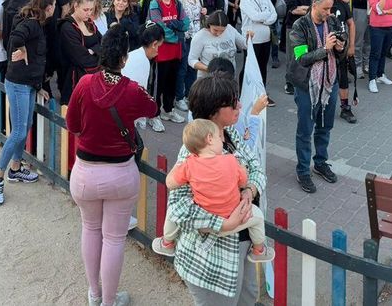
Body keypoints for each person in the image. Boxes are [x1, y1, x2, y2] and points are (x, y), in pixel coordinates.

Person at [64, 27, 159, 306]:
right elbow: (152, 109)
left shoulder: (83, 84)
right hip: (119, 173)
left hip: (85, 172)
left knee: (90, 229)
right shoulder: (131, 89)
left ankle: (94, 293)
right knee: (114, 239)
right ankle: (109, 301)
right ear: (124, 59)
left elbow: (73, 125)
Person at [165, 72, 267, 305]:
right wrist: (223, 223)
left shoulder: (229, 137)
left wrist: (250, 190)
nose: (239, 105)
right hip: (212, 258)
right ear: (213, 112)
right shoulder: (193, 153)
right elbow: (178, 208)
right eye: (232, 102)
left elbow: (257, 170)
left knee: (247, 297)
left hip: (242, 242)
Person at [154, 118, 275, 264]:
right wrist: (241, 170)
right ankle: (258, 250)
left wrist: (183, 168)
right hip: (233, 217)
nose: (221, 140)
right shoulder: (231, 160)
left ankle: (167, 243)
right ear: (210, 139)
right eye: (219, 137)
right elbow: (243, 182)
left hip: (204, 223)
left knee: (174, 210)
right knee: (258, 217)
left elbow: (171, 184)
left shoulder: (189, 164)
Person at [0, 0, 56, 206]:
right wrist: (22, 49)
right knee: (18, 131)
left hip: (28, 83)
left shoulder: (36, 22)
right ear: (48, 7)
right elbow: (16, 37)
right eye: (53, 5)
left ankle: (15, 168)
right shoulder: (32, 23)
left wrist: (38, 86)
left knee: (24, 126)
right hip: (18, 83)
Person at [287, 0, 348, 194]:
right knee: (305, 130)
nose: (329, 13)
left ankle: (320, 163)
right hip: (306, 86)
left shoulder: (331, 22)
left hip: (329, 83)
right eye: (325, 9)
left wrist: (340, 47)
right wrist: (326, 49)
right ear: (314, 6)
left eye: (330, 8)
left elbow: (340, 51)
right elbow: (301, 58)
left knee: (325, 126)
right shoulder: (299, 26)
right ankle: (303, 171)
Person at [147, 0, 190, 132]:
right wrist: (174, 32)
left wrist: (174, 26)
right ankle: (154, 114)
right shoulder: (155, 4)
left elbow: (186, 23)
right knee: (158, 85)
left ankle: (168, 110)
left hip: (175, 50)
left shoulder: (177, 3)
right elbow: (159, 27)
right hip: (161, 51)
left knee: (172, 82)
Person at [57, 0, 104, 105]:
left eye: (91, 10)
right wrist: (99, 55)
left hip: (93, 81)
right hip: (73, 82)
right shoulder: (67, 27)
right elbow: (81, 58)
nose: (89, 13)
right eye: (85, 10)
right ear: (76, 6)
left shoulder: (89, 23)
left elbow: (104, 43)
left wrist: (92, 51)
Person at [238, 0, 277, 88]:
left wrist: (263, 17)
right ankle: (244, 93)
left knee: (262, 67)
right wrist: (266, 14)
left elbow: (274, 15)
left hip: (266, 38)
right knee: (249, 67)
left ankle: (261, 93)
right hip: (252, 39)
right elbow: (254, 16)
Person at [188, 11, 249, 82]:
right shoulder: (200, 36)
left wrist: (249, 38)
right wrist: (209, 68)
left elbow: (245, 45)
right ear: (209, 25)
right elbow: (191, 60)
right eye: (215, 30)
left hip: (229, 78)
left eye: (222, 31)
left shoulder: (230, 29)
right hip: (208, 80)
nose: (218, 33)